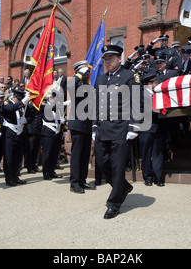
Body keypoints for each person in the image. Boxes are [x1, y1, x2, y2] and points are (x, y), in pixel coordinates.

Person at [93, 44, 142, 219]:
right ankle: (123, 186)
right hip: (103, 128)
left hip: (121, 128)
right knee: (101, 161)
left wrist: (134, 125)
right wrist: (94, 125)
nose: (107, 62)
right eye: (105, 59)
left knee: (117, 165)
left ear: (119, 59)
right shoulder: (100, 80)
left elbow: (137, 101)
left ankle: (114, 204)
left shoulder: (129, 76)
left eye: (110, 59)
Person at [67, 60, 95, 193]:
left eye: (88, 72)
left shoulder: (87, 86)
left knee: (85, 154)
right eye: (85, 72)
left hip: (87, 124)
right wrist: (78, 75)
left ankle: (82, 180)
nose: (88, 74)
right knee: (77, 154)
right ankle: (74, 183)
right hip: (77, 124)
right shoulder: (76, 85)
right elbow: (70, 85)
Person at [138, 73, 169, 186]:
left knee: (158, 154)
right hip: (145, 129)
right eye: (156, 82)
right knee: (146, 154)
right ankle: (147, 177)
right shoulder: (141, 95)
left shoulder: (159, 95)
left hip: (158, 129)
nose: (158, 84)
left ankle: (159, 178)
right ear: (150, 83)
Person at [1, 89, 30, 186]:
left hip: (19, 132)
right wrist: (23, 101)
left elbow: (32, 114)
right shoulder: (7, 102)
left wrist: (26, 120)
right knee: (9, 157)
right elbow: (10, 109)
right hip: (10, 132)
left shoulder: (21, 105)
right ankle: (9, 178)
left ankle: (15, 176)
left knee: (17, 157)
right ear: (14, 97)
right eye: (19, 99)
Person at [41, 87, 68, 180]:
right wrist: (62, 104)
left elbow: (59, 117)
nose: (56, 100)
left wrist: (63, 123)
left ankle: (52, 171)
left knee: (54, 153)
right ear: (50, 98)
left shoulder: (56, 107)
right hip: (48, 131)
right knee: (47, 153)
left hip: (57, 131)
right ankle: (46, 172)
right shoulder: (44, 105)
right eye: (55, 98)